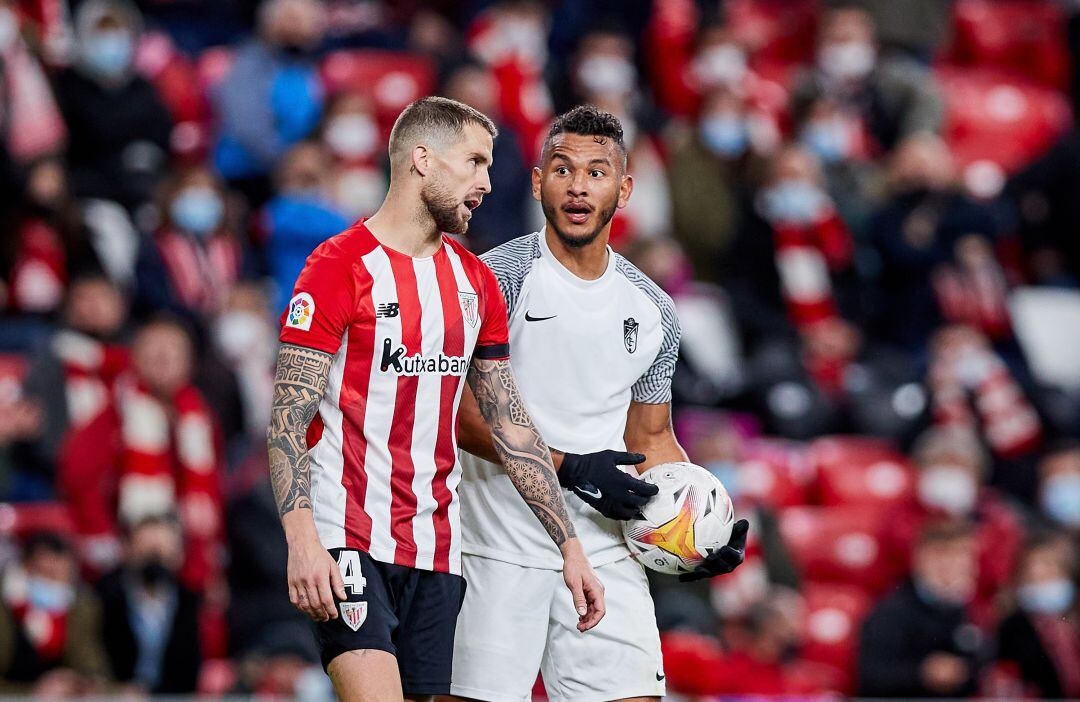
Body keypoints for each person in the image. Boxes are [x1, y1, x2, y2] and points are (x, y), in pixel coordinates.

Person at [268, 96, 604, 701]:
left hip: (437, 547)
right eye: (474, 162)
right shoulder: (338, 266)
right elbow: (288, 419)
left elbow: (510, 425)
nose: (486, 182)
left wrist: (570, 546)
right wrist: (301, 540)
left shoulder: (474, 282)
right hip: (348, 536)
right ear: (422, 159)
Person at [448, 106, 748, 702]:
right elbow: (459, 415)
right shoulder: (495, 280)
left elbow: (653, 438)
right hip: (494, 546)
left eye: (596, 172)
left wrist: (692, 531)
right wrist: (569, 467)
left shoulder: (655, 308)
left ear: (625, 188)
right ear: (537, 183)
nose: (578, 186)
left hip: (607, 550)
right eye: (562, 170)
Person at [54, 0, 173, 210]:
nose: (111, 43)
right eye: (101, 35)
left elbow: (160, 135)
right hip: (89, 195)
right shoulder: (68, 87)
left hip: (142, 190)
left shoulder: (142, 87)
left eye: (117, 34)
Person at [858, 519, 986, 698]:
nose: (951, 566)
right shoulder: (891, 611)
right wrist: (922, 673)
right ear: (920, 558)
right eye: (943, 555)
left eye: (961, 556)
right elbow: (871, 676)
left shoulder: (972, 611)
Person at [96, 514, 201, 694]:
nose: (155, 560)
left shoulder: (190, 602)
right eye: (146, 551)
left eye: (162, 551)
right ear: (128, 549)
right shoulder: (103, 597)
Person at [0, 532, 109, 694]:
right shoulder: (6, 607)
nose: (53, 585)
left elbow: (93, 667)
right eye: (46, 574)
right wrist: (34, 692)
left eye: (61, 576)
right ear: (25, 568)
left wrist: (78, 683)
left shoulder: (81, 606)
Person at [995, 532, 1080, 699]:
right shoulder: (1013, 627)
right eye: (1033, 577)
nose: (1041, 583)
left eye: (1049, 574)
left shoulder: (1073, 621)